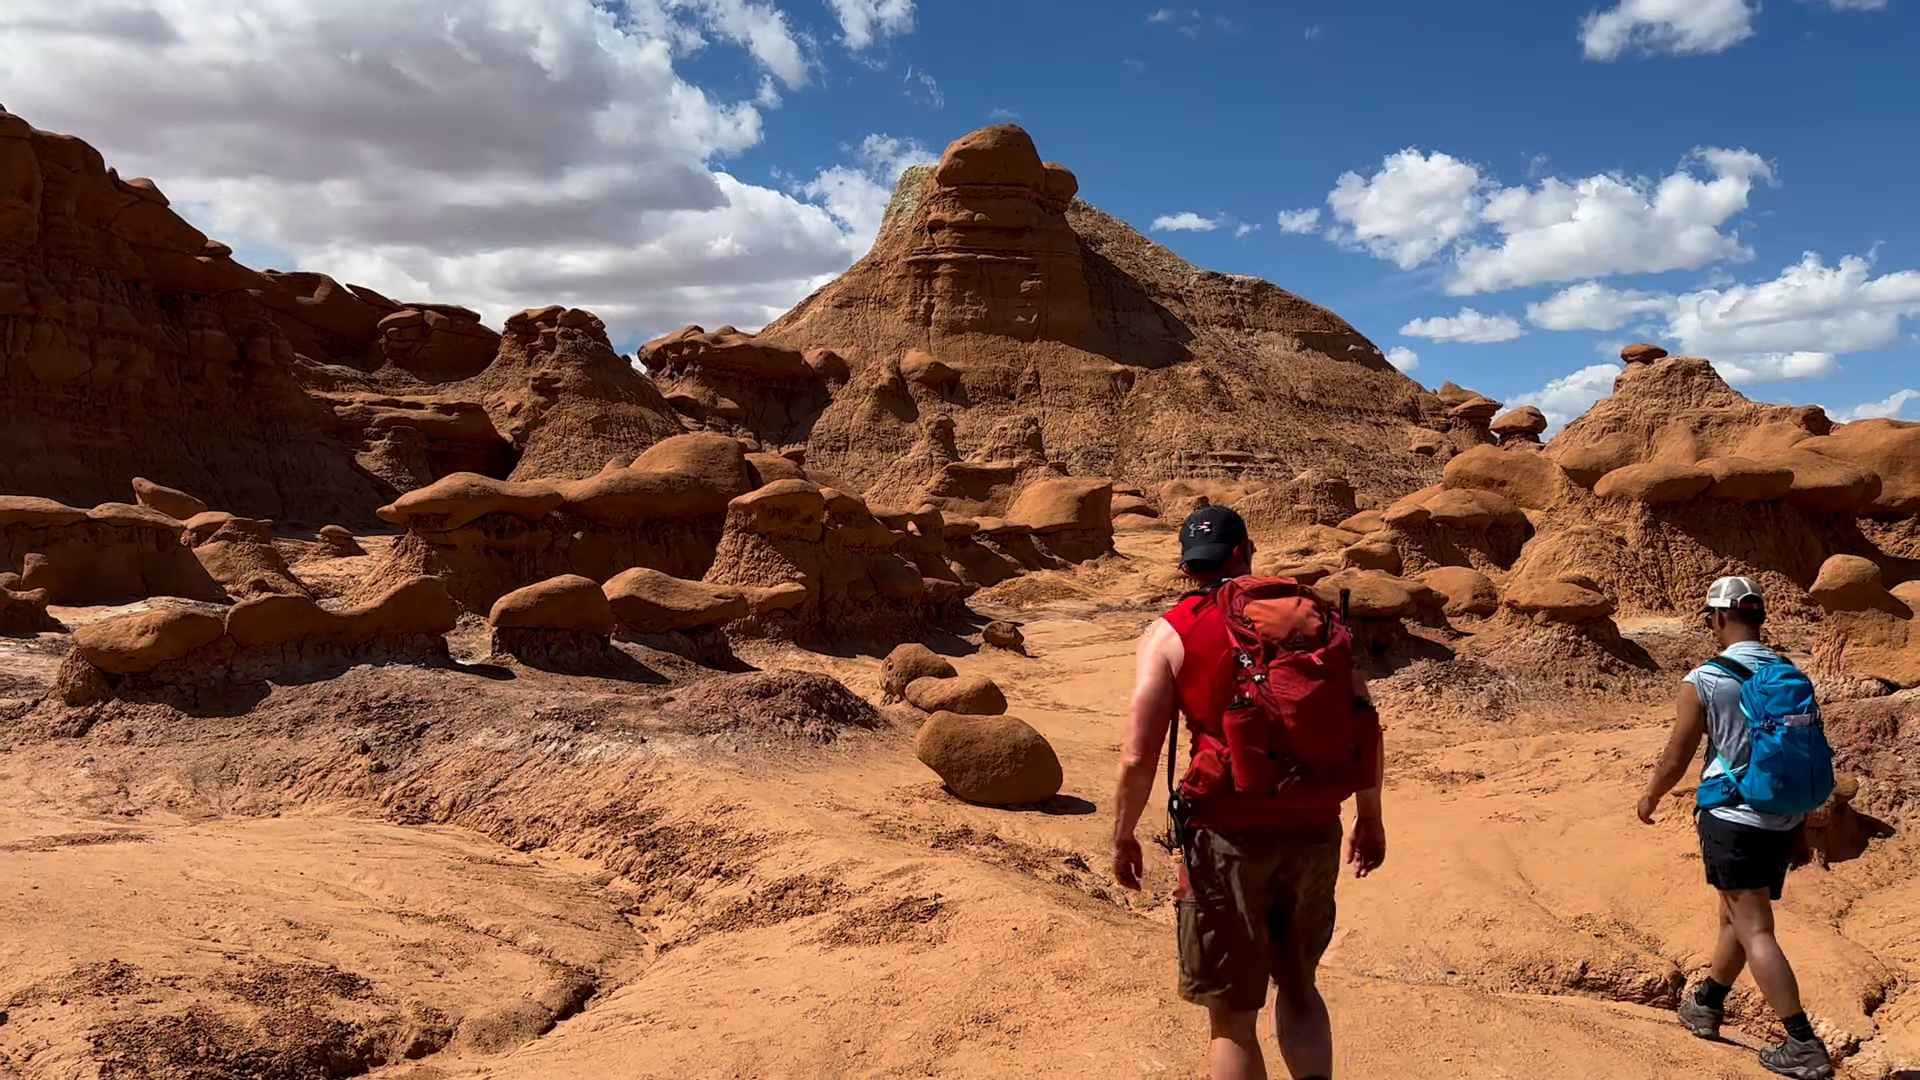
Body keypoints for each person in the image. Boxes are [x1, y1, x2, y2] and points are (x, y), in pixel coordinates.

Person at [1113, 506, 1387, 1080]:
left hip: (1224, 834)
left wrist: (1123, 834)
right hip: (1313, 823)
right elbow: (1364, 718)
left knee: (1233, 1016)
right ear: (1247, 551)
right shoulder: (1312, 618)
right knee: (1301, 988)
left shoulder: (1171, 629)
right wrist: (1370, 816)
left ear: (1187, 565)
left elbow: (1139, 754)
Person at [1636, 577, 1834, 1080]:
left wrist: (1651, 795)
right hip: (1782, 814)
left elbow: (1677, 755)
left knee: (1756, 929)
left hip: (1732, 813)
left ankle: (1803, 1043)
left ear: (1719, 618)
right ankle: (1707, 1003)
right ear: (1759, 617)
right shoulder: (1787, 669)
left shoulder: (1704, 678)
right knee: (1734, 914)